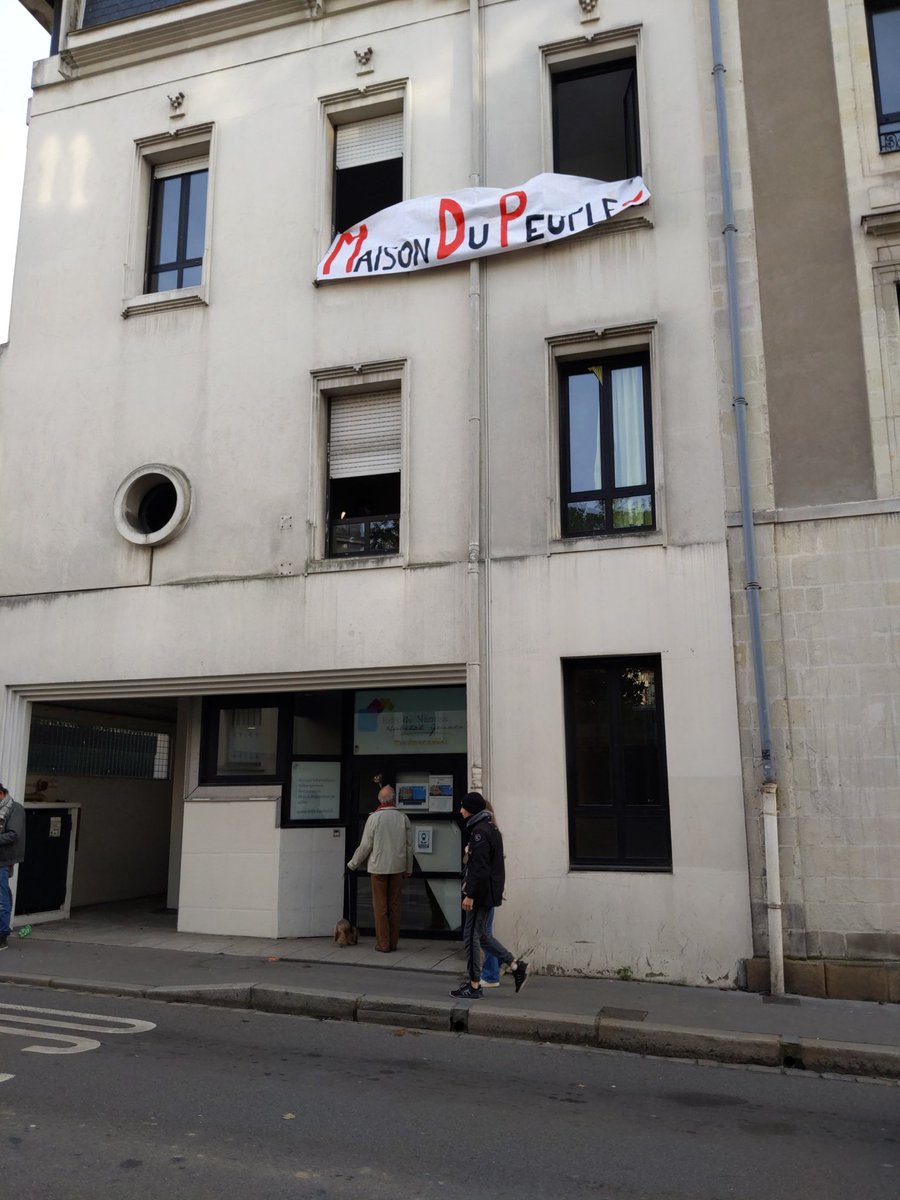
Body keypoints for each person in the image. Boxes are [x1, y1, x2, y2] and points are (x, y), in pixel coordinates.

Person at [451, 792, 527, 1000]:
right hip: (487, 892)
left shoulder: (480, 832)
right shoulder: (489, 828)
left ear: (472, 809)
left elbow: (480, 868)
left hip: (480, 894)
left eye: (463, 807)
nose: (460, 810)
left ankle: (475, 985)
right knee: (482, 935)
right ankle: (515, 965)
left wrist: (470, 894)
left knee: (471, 937)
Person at [347, 785, 413, 953]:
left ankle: (383, 943)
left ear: (380, 800)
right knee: (395, 906)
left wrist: (353, 864)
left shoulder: (374, 819)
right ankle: (393, 942)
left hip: (378, 867)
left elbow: (365, 845)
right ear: (393, 800)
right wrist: (408, 867)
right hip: (398, 867)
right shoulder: (403, 818)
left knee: (380, 907)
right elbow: (409, 846)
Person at [0, 783, 26, 951]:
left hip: (2, 860)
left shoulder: (15, 809)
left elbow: (14, 833)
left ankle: (2, 936)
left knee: (2, 898)